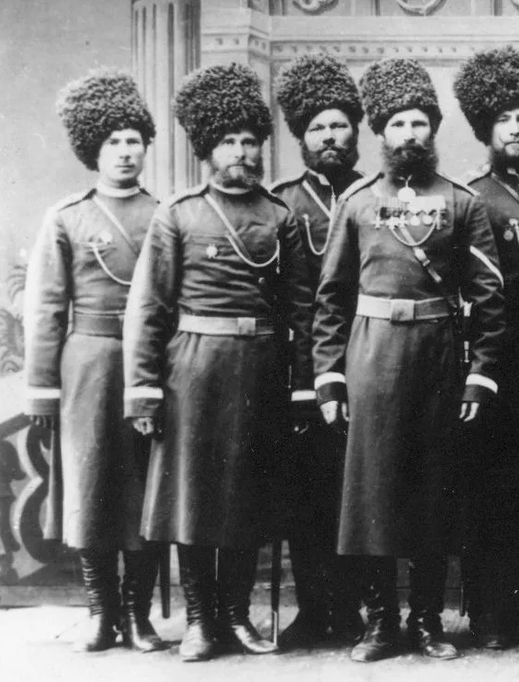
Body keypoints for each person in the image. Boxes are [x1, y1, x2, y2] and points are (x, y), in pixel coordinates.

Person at [311, 56, 505, 663]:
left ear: (434, 130)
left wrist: (480, 376)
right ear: (381, 133)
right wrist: (329, 378)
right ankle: (380, 623)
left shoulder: (461, 203)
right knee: (372, 494)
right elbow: (331, 297)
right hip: (371, 358)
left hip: (437, 357)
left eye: (420, 123)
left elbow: (489, 298)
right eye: (397, 124)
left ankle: (425, 620)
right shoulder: (357, 202)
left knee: (432, 492)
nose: (409, 134)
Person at [123, 63, 313, 662]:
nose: (241, 152)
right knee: (194, 499)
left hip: (260, 371)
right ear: (207, 149)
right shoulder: (179, 214)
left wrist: (303, 386)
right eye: (229, 141)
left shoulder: (279, 216)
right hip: (193, 372)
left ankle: (236, 615)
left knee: (247, 497)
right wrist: (143, 389)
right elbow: (149, 307)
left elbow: (301, 310)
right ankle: (202, 620)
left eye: (250, 141)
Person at [24, 70, 164, 654]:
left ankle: (139, 615)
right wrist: (42, 388)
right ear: (93, 151)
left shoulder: (164, 213)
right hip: (88, 366)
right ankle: (102, 614)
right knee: (92, 488)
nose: (125, 151)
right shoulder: (67, 217)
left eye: (133, 140)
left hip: (149, 366)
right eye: (112, 142)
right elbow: (46, 307)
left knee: (147, 491)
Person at [452, 46, 519, 651]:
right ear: (485, 129)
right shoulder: (472, 197)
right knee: (486, 490)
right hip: (491, 361)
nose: (516, 129)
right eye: (504, 120)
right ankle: (488, 614)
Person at [269, 53, 366, 648]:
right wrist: (303, 380)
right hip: (305, 375)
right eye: (317, 128)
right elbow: (285, 301)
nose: (330, 137)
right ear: (301, 138)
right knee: (307, 495)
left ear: (356, 132)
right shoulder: (285, 203)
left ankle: (354, 611)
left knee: (359, 494)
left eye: (339, 126)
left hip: (372, 362)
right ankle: (311, 609)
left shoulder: (378, 195)